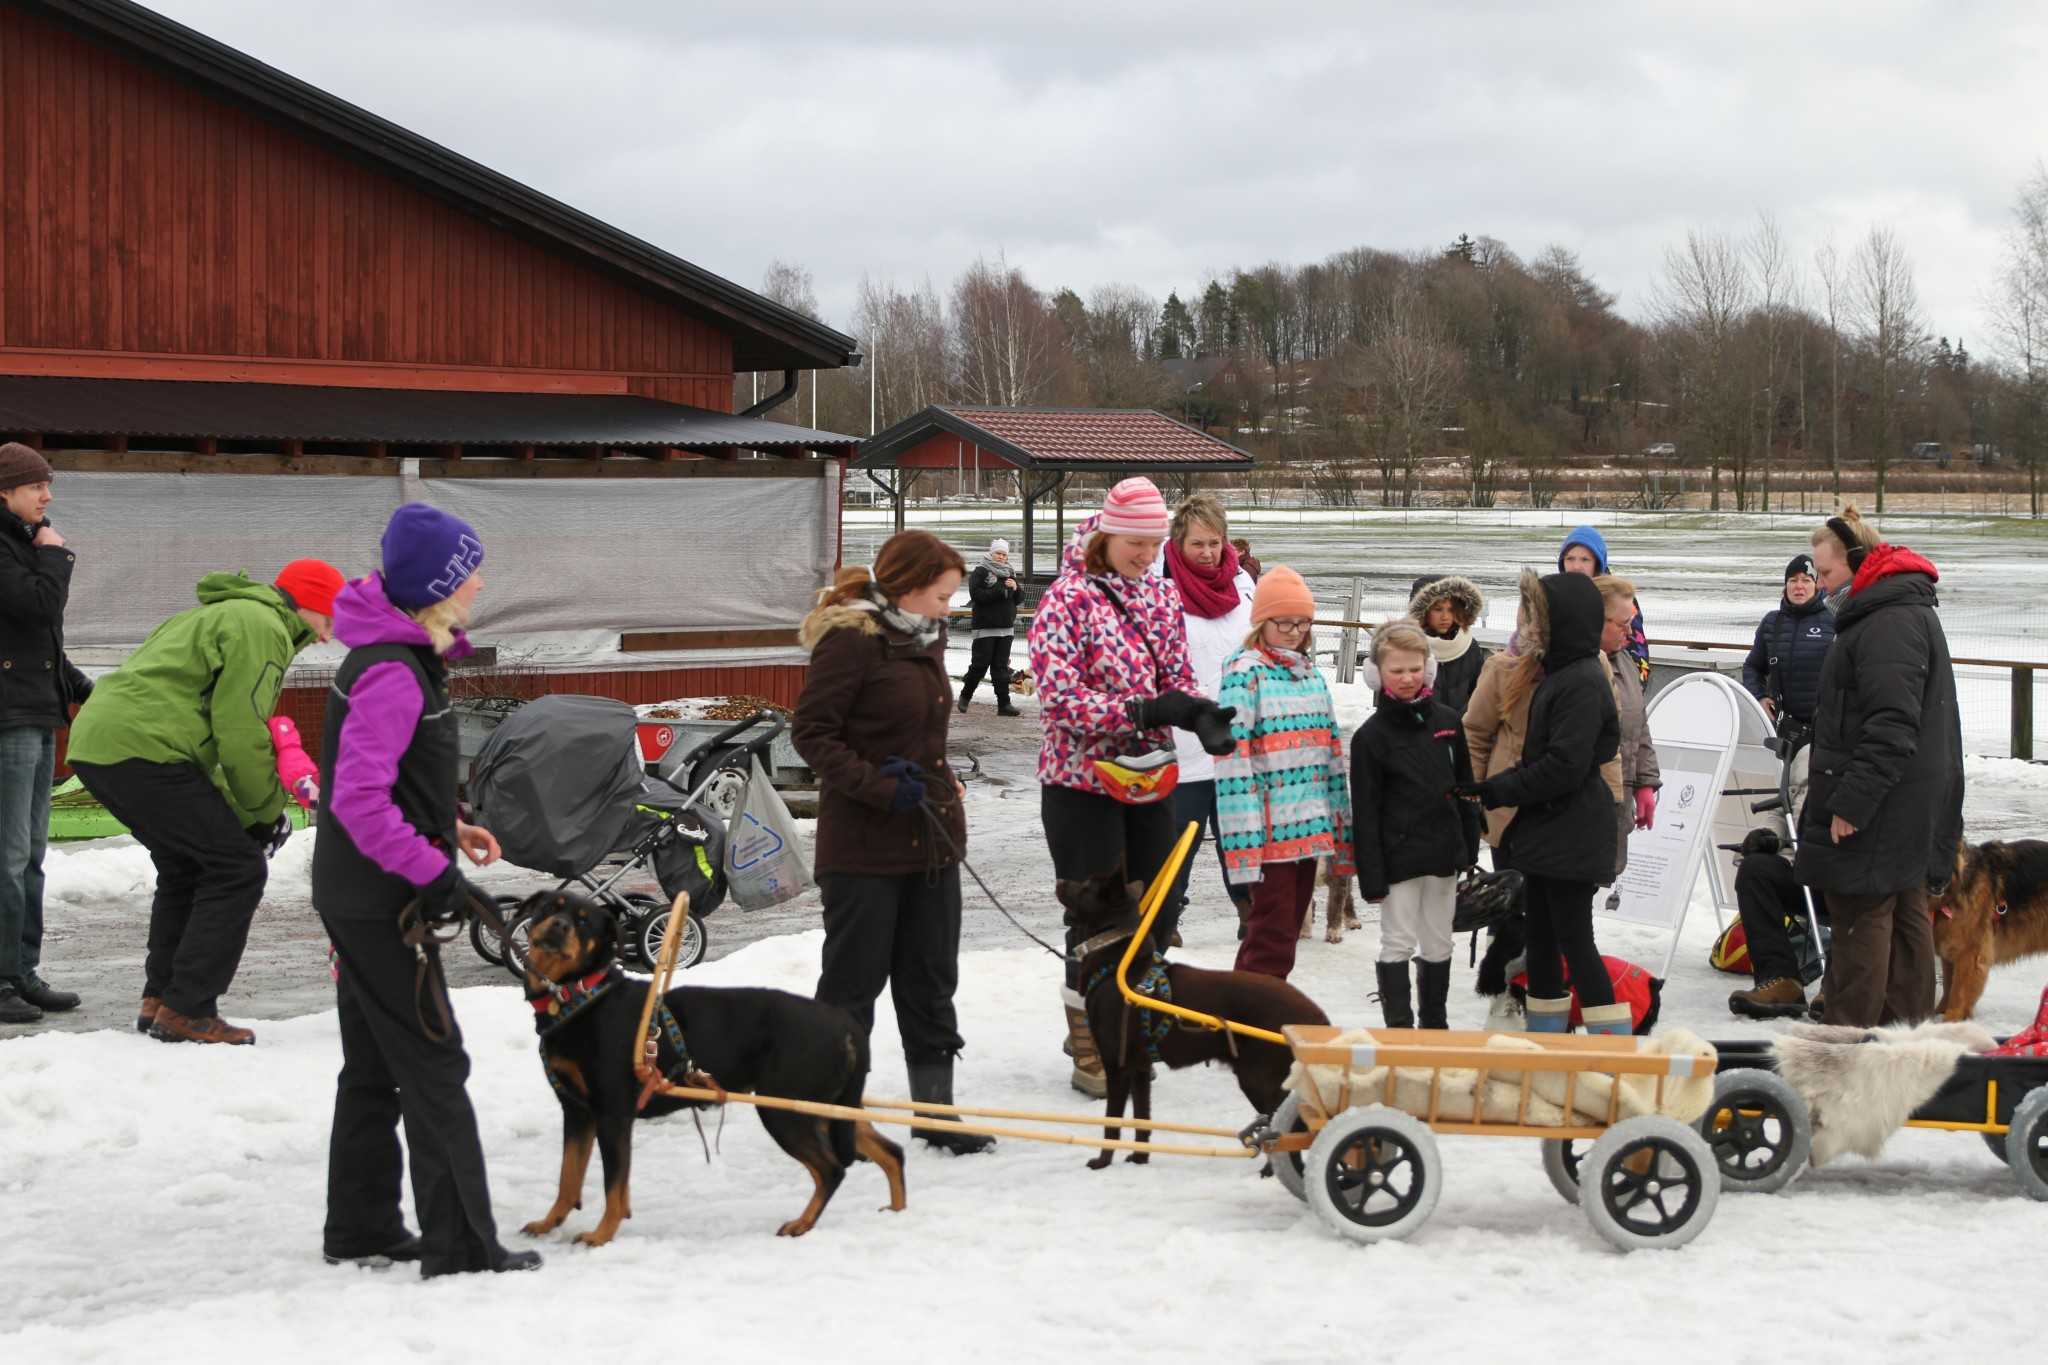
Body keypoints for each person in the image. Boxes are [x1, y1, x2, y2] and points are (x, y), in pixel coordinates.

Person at [312, 502, 540, 1277]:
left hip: (362, 890)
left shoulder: (399, 653)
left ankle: (362, 1224)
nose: (479, 581)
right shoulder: (390, 669)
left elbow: (396, 776)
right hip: (381, 902)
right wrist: (433, 871)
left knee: (376, 1065)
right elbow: (359, 800)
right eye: (470, 568)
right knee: (435, 1064)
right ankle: (462, 1245)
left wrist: (449, 822)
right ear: (440, 584)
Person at [68, 557, 344, 1044]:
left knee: (186, 865)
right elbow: (239, 731)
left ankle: (161, 1000)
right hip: (144, 746)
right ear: (309, 605)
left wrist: (247, 812)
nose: (326, 636)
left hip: (101, 742)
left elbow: (206, 735)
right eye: (328, 620)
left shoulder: (220, 614)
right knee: (237, 867)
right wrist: (264, 814)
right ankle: (188, 1008)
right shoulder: (263, 627)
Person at [1029, 477, 1234, 1096]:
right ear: (1106, 532)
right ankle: (1091, 1044)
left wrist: (1195, 712)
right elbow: (1061, 701)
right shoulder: (1065, 601)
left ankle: (1128, 1021)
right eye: (1135, 543)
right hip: (1080, 783)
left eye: (1154, 543)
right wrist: (1143, 713)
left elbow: (1173, 677)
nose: (1147, 555)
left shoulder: (1163, 597)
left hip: (1150, 778)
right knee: (1099, 919)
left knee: (1154, 911)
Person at [793, 529, 991, 1154]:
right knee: (853, 986)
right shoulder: (853, 641)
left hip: (930, 842)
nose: (949, 607)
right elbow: (812, 735)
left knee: (931, 981)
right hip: (863, 848)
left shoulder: (924, 638)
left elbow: (921, 736)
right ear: (907, 588)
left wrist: (942, 779)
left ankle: (935, 1114)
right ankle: (834, 1113)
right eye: (942, 594)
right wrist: (877, 785)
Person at [1795, 508, 1963, 1028]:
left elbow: (1891, 725)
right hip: (1907, 798)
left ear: (1859, 562)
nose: (1820, 586)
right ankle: (1901, 1039)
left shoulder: (1887, 621)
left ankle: (1847, 1042)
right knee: (1906, 914)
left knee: (1861, 919)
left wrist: (1852, 802)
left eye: (1825, 573)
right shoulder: (1890, 612)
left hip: (1884, 800)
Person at [1460, 571, 1629, 1036]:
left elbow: (1563, 767)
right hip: (1548, 831)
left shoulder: (1580, 681)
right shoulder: (1564, 674)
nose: (1530, 628)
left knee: (1574, 940)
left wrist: (1497, 789)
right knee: (1542, 937)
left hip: (1569, 833)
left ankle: (1612, 1054)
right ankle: (1547, 1039)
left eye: (1539, 619)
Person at [1215, 567, 1353, 981]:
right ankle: (1246, 1028)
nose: (1296, 631)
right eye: (1285, 622)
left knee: (1287, 935)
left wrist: (1340, 827)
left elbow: (1330, 751)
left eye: (1304, 623)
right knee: (1269, 939)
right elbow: (1234, 762)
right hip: (1269, 835)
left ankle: (1261, 1018)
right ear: (1262, 621)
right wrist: (1244, 846)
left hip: (1308, 831)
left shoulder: (1308, 672)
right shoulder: (1245, 673)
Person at [0, 443, 92, 1024]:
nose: (47, 496)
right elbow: (36, 612)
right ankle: (3, 978)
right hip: (7, 719)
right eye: (37, 486)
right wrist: (55, 559)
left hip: (35, 712)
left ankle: (22, 972)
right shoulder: (11, 550)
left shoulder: (24, 545)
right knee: (8, 857)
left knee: (31, 854)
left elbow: (40, 645)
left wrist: (83, 690)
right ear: (6, 491)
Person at [1351, 621, 1479, 1029]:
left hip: (1443, 853)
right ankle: (1400, 1027)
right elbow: (1366, 811)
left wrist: (1469, 845)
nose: (1407, 678)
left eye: (1414, 668)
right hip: (1398, 858)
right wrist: (1371, 875)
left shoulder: (1447, 722)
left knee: (1439, 938)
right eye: (1396, 670)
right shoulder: (1371, 737)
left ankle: (1434, 1023)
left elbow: (1465, 787)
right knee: (1398, 939)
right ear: (1377, 674)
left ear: (1429, 668)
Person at [1158, 493, 1256, 946]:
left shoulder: (1245, 587)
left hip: (1237, 733)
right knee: (1181, 835)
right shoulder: (1160, 590)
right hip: (1184, 736)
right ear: (1178, 542)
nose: (1208, 552)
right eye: (1198, 544)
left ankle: (1249, 910)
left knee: (1239, 832)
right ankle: (1167, 916)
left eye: (1215, 542)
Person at [1594, 575, 1660, 882]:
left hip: (1620, 802)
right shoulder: (1577, 669)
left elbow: (1640, 727)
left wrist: (1646, 784)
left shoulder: (1626, 664)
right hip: (1586, 811)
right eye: (1622, 624)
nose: (1629, 631)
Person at [1727, 829, 1818, 1018]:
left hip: (1848, 871)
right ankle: (1781, 981)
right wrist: (1767, 839)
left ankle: (1841, 988)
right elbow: (1778, 817)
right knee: (1754, 868)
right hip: (1800, 870)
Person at [1742, 554, 1836, 733]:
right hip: (1782, 729)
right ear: (1786, 586)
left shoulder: (1835, 619)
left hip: (1825, 730)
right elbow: (1752, 667)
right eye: (1793, 580)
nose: (1799, 586)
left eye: (1806, 580)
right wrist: (1759, 697)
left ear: (1817, 585)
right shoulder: (1771, 622)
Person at [1558, 525, 1647, 684]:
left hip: (1617, 683)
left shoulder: (1621, 598)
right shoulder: (1555, 597)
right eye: (1570, 559)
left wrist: (1632, 686)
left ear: (1598, 563)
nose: (1576, 566)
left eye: (1585, 559)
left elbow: (1638, 652)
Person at [1405, 574, 1488, 716]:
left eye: (1451, 609)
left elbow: (1480, 695)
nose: (1446, 617)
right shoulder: (1402, 647)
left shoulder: (1469, 647)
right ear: (1422, 611)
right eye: (1438, 609)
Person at [957, 537, 1022, 717]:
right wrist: (1000, 590)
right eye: (998, 554)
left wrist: (1015, 588)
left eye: (1004, 554)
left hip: (1006, 627)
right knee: (979, 665)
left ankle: (1004, 704)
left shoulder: (1010, 572)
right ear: (991, 553)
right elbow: (977, 596)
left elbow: (1018, 599)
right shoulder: (980, 571)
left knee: (1000, 667)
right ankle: (965, 695)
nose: (1001, 557)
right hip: (985, 626)